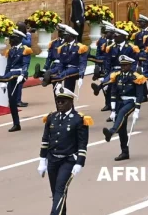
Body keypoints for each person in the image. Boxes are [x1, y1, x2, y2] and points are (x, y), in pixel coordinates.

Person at [37, 87, 92, 215]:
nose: (60, 104)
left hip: (68, 160)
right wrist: (42, 160)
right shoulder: (51, 117)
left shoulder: (79, 119)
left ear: (71, 102)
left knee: (60, 189)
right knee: (55, 192)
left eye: (63, 101)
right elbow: (45, 140)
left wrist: (79, 162)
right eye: (58, 101)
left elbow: (82, 143)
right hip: (52, 160)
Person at [102, 55, 146, 161]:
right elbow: (113, 93)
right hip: (120, 101)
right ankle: (124, 152)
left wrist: (137, 110)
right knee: (122, 128)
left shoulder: (136, 76)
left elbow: (140, 94)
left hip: (131, 101)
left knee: (121, 113)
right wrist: (112, 110)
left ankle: (111, 132)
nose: (123, 67)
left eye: (125, 65)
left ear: (130, 65)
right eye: (121, 65)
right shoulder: (117, 76)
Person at [0, 30, 32, 132]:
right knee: (12, 101)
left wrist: (22, 74)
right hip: (11, 75)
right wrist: (5, 81)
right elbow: (8, 67)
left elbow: (25, 65)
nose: (10, 40)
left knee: (13, 75)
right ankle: (16, 124)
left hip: (20, 74)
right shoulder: (11, 51)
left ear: (18, 39)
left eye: (12, 38)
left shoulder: (25, 50)